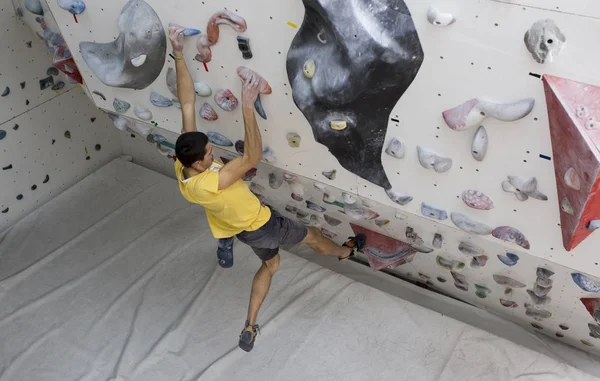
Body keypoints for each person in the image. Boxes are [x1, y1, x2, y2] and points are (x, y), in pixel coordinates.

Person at [168, 25, 366, 352]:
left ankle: (250, 324)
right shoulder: (208, 182)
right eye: (209, 154)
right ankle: (346, 252)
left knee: (270, 265)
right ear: (201, 164)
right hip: (264, 225)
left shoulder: (183, 165)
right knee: (313, 235)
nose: (212, 152)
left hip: (240, 230)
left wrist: (178, 52)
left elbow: (187, 103)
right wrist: (248, 104)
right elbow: (251, 157)